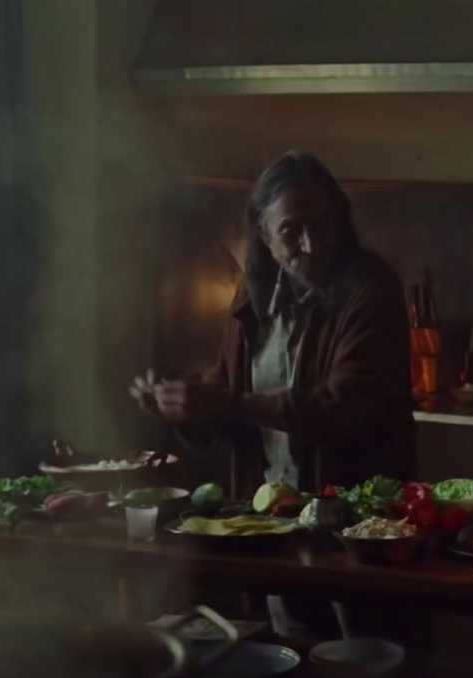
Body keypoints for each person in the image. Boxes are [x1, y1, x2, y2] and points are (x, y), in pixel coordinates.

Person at [131, 152, 418, 640]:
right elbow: (229, 399)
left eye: (323, 226)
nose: (311, 245)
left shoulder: (370, 289)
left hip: (357, 532)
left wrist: (223, 402)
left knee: (370, 669)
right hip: (273, 528)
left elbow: (338, 407)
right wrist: (181, 404)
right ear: (263, 233)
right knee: (289, 665)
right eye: (291, 230)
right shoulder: (253, 295)